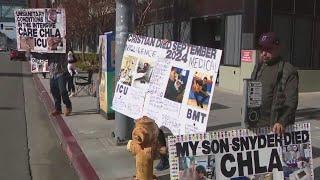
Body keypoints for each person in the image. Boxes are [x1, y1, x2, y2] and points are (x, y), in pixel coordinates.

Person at [250, 32, 299, 135]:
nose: (263, 53)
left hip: (274, 129)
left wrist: (281, 121)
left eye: (268, 49)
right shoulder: (259, 67)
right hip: (256, 126)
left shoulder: (288, 70)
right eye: (262, 49)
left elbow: (291, 101)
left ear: (277, 48)